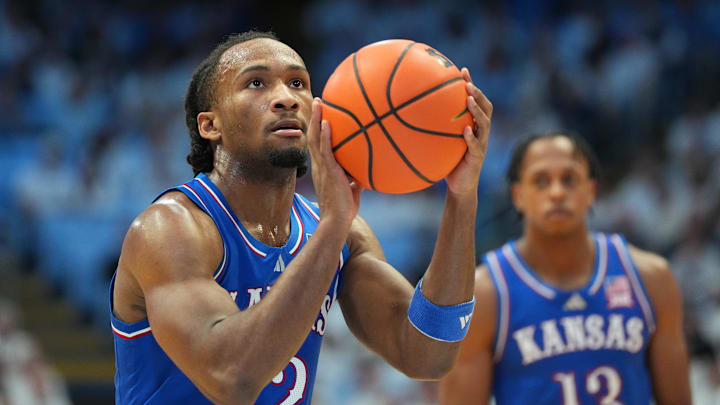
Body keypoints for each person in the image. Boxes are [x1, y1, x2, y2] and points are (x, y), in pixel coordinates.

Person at [109, 30, 492, 405]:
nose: (285, 99)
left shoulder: (341, 234)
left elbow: (427, 354)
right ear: (211, 125)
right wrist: (332, 228)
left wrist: (462, 198)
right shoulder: (171, 229)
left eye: (297, 83)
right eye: (256, 83)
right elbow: (232, 379)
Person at [439, 132, 691, 404]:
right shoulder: (486, 295)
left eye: (569, 179)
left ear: (591, 190)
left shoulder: (650, 278)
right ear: (517, 194)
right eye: (541, 181)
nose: (557, 192)